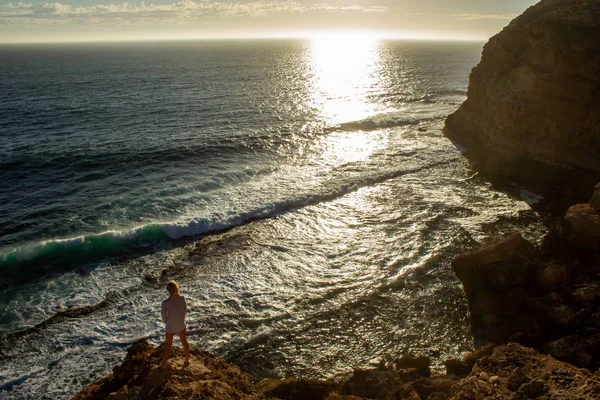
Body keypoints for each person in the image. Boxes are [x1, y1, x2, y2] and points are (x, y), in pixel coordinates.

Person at [160, 280, 190, 369]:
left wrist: (167, 321)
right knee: (184, 341)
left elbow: (163, 316)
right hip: (180, 323)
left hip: (170, 324)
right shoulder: (182, 298)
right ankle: (187, 359)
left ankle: (164, 363)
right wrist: (181, 319)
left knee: (168, 344)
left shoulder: (165, 303)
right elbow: (184, 311)